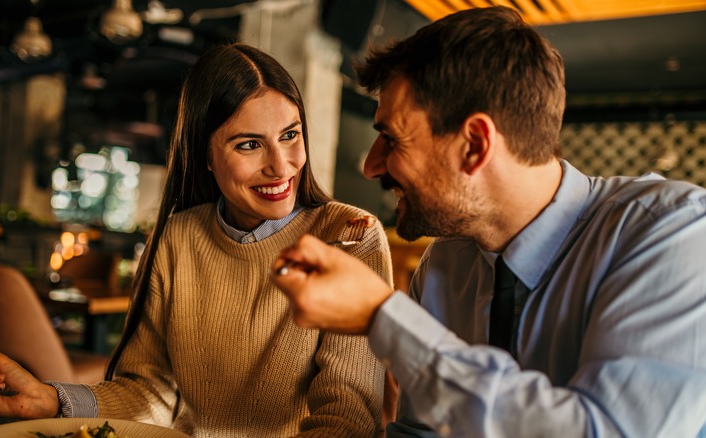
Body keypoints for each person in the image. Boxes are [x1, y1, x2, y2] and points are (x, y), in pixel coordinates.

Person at [272, 6, 706, 437]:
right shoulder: (445, 263)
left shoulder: (673, 232)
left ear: (475, 144)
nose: (370, 166)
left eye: (391, 139)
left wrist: (382, 317)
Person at [0, 43, 393, 437]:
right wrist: (49, 398)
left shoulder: (351, 236)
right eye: (248, 145)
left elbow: (347, 416)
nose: (281, 167)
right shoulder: (178, 236)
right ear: (203, 154)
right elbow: (149, 394)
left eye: (290, 135)